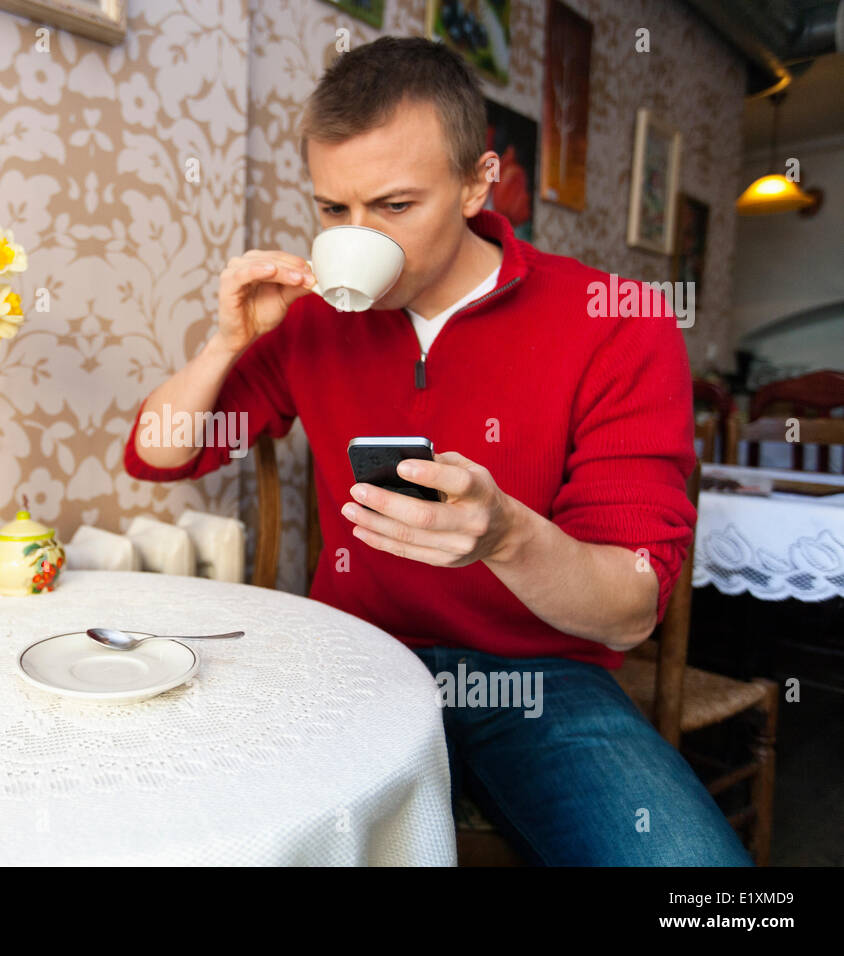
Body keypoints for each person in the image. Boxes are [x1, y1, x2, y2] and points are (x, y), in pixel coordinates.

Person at [122, 35, 752, 866]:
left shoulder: (618, 319)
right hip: (352, 659)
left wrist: (507, 539)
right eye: (332, 210)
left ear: (477, 182)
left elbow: (631, 607)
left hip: (538, 683)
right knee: (188, 827)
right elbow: (160, 455)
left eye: (393, 206)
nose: (358, 236)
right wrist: (223, 343)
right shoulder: (315, 320)